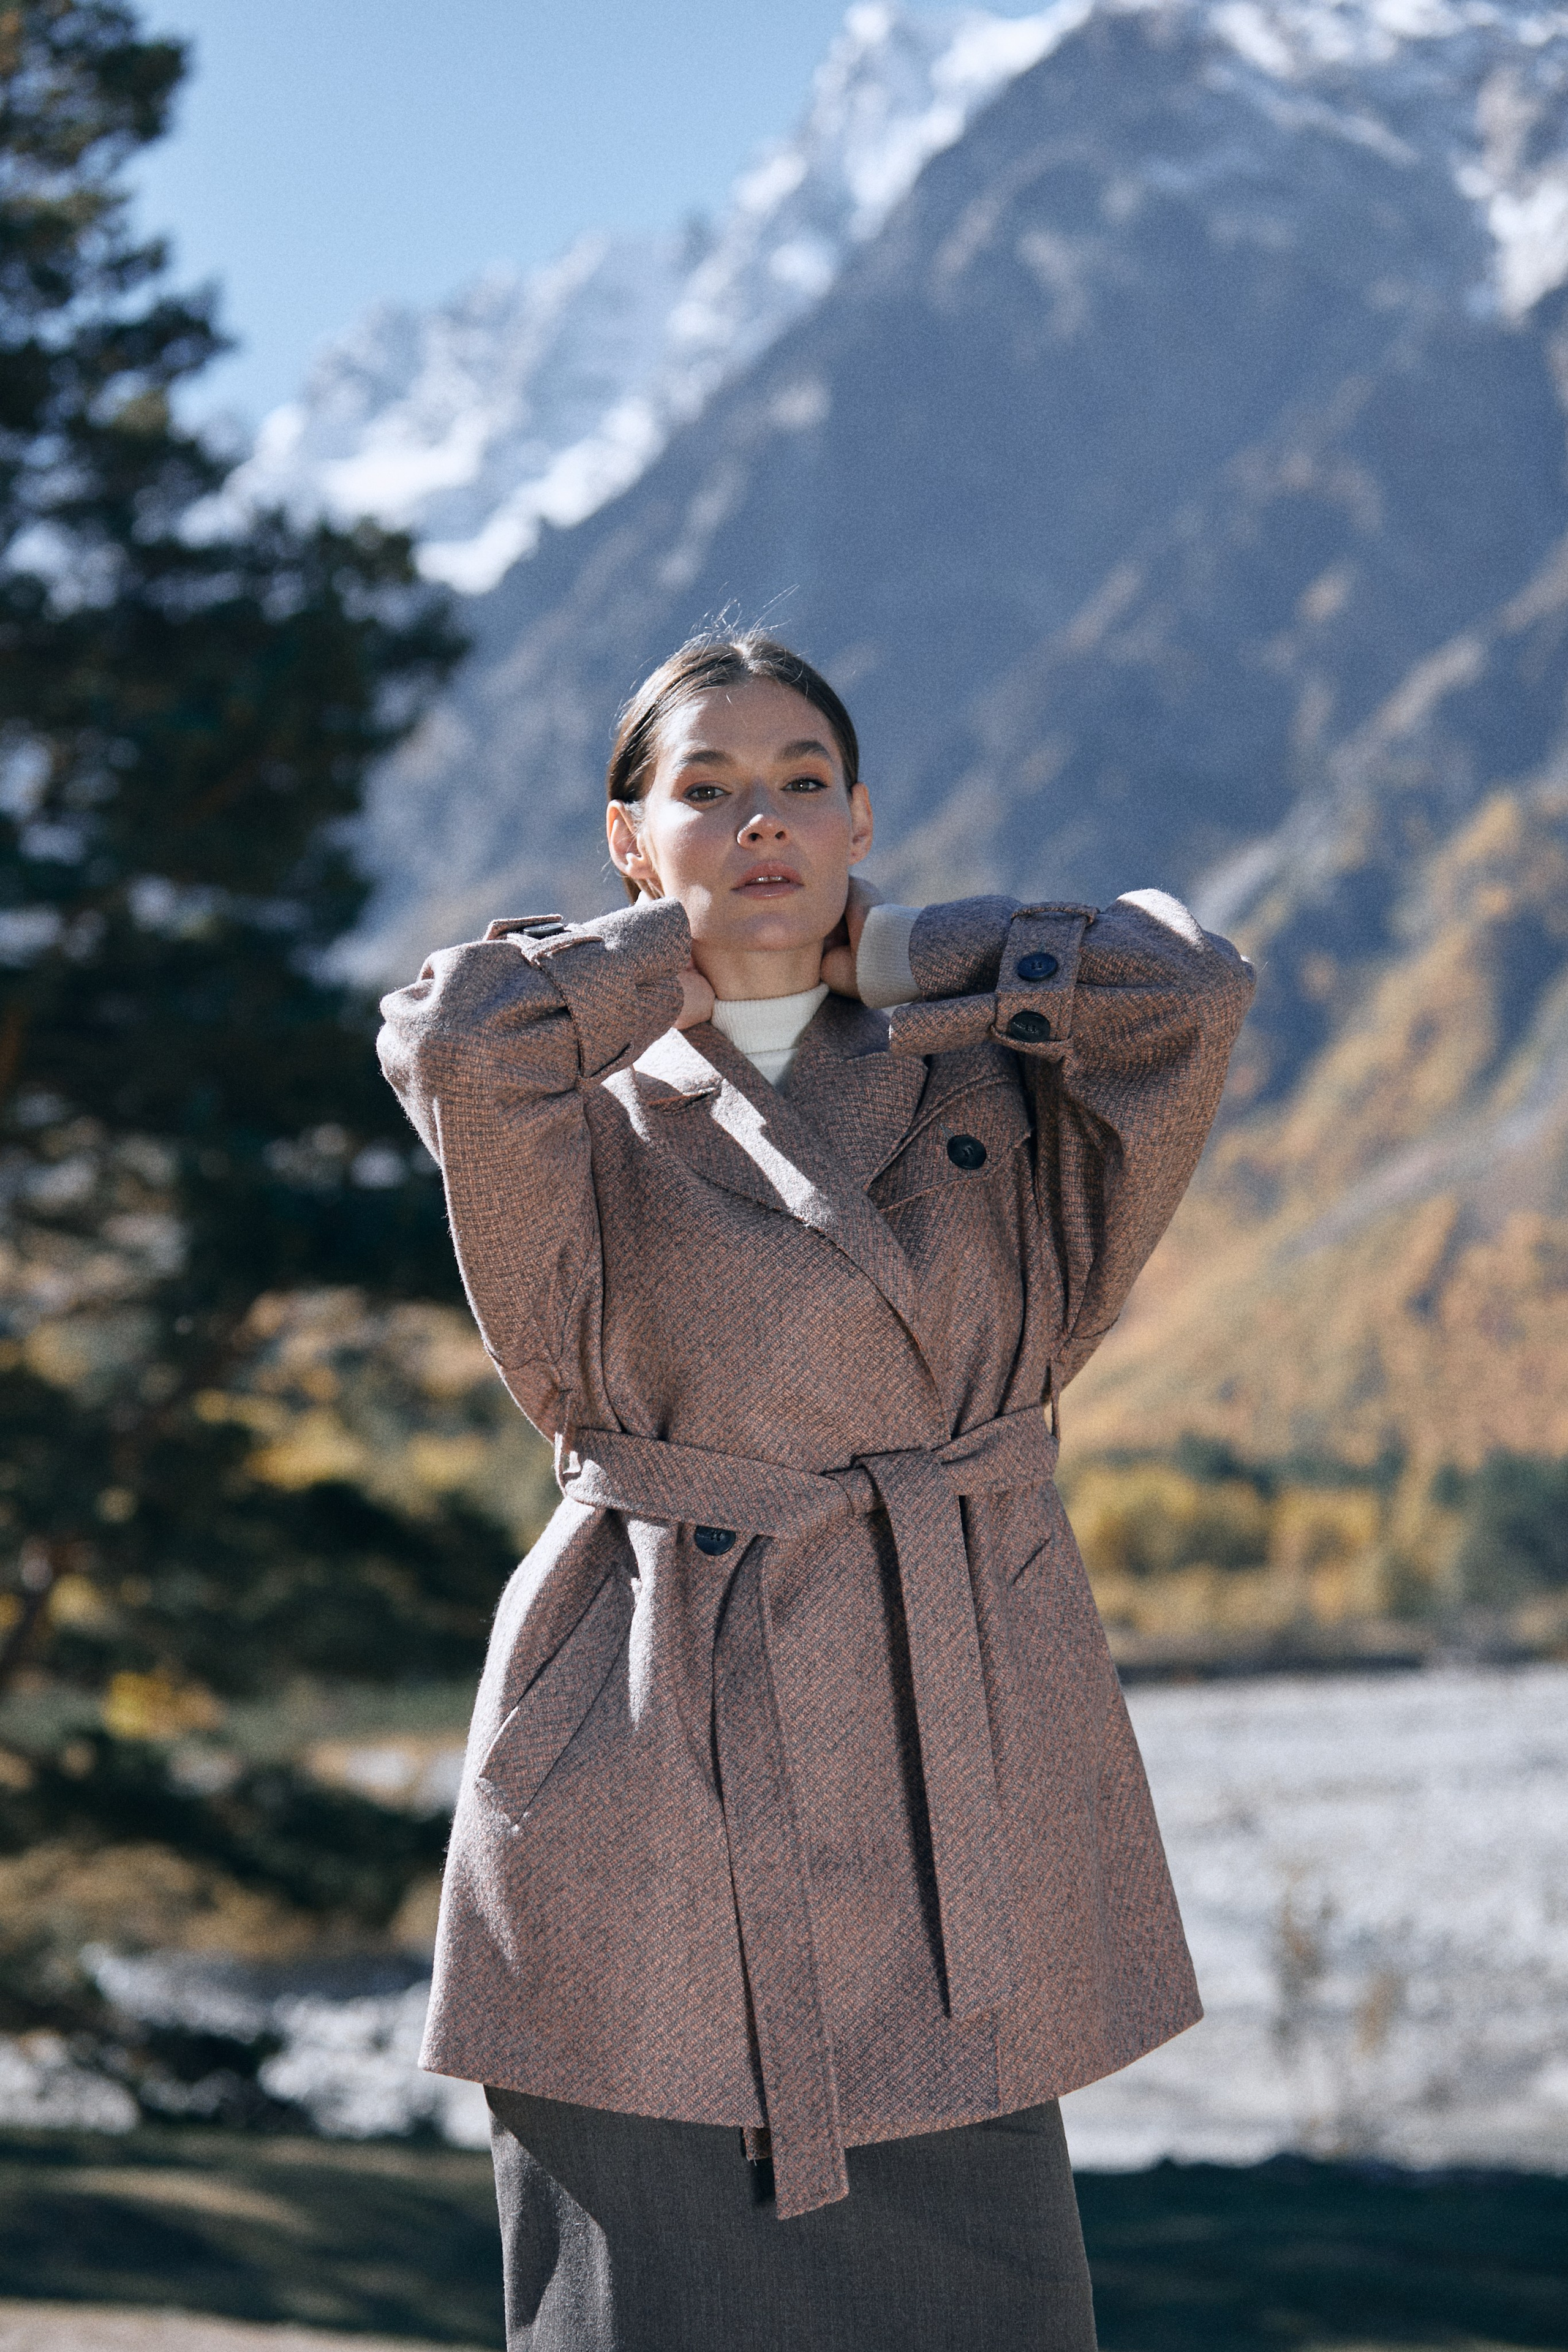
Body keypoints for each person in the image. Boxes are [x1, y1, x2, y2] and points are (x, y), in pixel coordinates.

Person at [377, 632, 1254, 2351]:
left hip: (947, 1751)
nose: (757, 821)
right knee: (651, 2274)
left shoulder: (989, 1049)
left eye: (799, 785)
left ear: (863, 821)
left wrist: (917, 953)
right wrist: (671, 960)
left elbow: (1190, 991)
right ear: (628, 840)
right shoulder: (574, 1085)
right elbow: (449, 1034)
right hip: (647, 1731)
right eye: (704, 792)